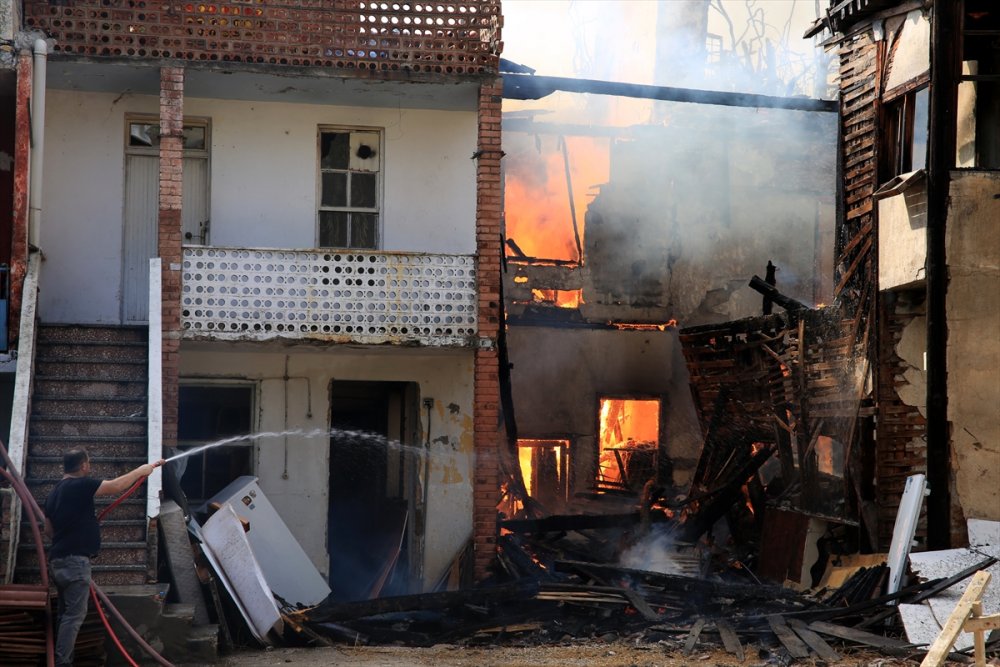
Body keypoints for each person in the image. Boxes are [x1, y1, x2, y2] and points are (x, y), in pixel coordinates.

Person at [43, 448, 164, 667]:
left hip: (58, 561)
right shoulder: (81, 485)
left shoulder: (54, 493)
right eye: (88, 463)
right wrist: (141, 470)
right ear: (83, 465)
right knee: (74, 616)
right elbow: (115, 486)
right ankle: (62, 664)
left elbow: (49, 531)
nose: (89, 466)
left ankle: (61, 659)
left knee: (65, 615)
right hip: (75, 561)